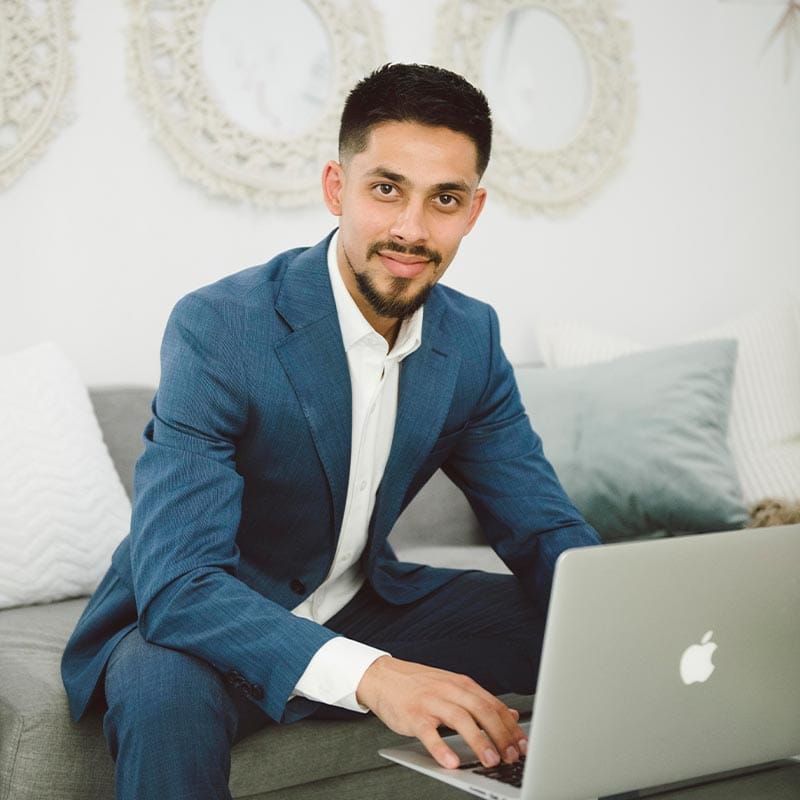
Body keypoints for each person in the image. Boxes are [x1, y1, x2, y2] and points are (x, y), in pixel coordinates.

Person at [61, 63, 600, 799]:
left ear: (473, 212)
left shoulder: (470, 337)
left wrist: (618, 616)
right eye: (386, 189)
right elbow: (182, 583)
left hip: (364, 600)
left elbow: (541, 528)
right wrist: (375, 678)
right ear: (335, 188)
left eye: (443, 199)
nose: (412, 229)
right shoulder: (221, 326)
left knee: (594, 636)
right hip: (206, 617)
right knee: (163, 694)